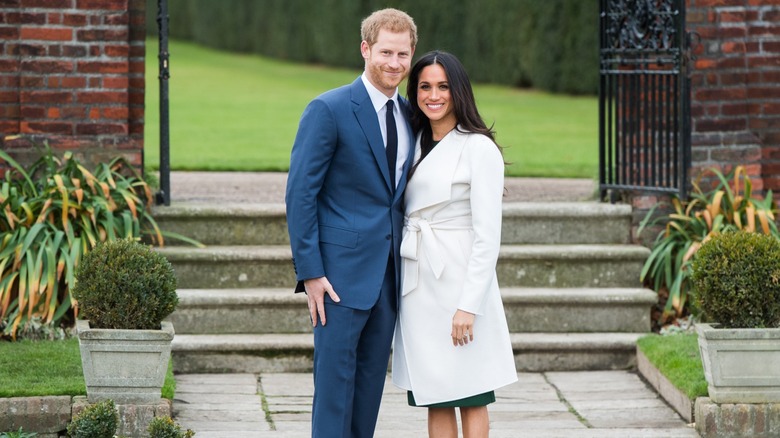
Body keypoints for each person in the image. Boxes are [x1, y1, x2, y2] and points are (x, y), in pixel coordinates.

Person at [285, 8, 417, 438]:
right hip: (337, 279)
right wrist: (311, 273)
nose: (394, 63)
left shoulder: (412, 116)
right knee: (334, 393)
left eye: (402, 54)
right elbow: (300, 194)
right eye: (385, 52)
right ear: (365, 49)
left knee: (368, 394)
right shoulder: (329, 109)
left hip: (389, 277)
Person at [391, 50, 518, 438]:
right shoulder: (410, 141)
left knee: (472, 391)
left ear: (458, 90)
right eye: (425, 86)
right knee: (435, 392)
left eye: (443, 86)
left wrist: (468, 305)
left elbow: (487, 236)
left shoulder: (478, 148)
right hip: (419, 282)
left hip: (460, 279)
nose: (434, 95)